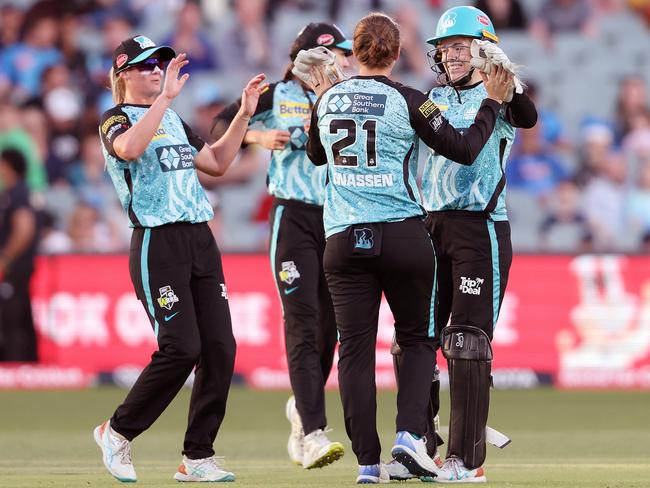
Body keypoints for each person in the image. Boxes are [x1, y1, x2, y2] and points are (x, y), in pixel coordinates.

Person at [305, 12, 512, 484]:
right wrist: (492, 106)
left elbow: (316, 154)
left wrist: (324, 100)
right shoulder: (413, 99)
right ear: (398, 54)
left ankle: (368, 464)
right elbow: (461, 148)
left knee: (355, 350)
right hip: (403, 233)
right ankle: (411, 439)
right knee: (418, 339)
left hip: (341, 239)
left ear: (355, 53)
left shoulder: (329, 97)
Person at [93, 35, 266, 483]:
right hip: (157, 242)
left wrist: (244, 114)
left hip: (199, 240)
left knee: (221, 348)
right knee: (181, 348)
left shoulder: (171, 118)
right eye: (147, 65)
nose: (157, 71)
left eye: (162, 64)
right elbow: (128, 149)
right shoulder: (115, 118)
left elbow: (218, 163)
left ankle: (197, 457)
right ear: (124, 72)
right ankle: (116, 432)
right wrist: (165, 99)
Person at [212, 22, 353, 470]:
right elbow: (218, 126)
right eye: (334, 54)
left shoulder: (344, 95)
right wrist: (255, 136)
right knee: (302, 319)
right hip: (292, 216)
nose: (341, 62)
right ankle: (312, 431)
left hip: (336, 217)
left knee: (330, 328)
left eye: (343, 55)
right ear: (306, 57)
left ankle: (301, 406)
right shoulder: (276, 94)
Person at [414, 6, 537, 483]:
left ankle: (466, 460)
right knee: (416, 340)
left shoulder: (501, 95)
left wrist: (504, 77)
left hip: (480, 228)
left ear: (483, 47)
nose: (451, 56)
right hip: (430, 224)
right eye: (445, 48)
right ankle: (418, 448)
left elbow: (527, 116)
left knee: (466, 341)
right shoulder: (430, 98)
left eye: (461, 46)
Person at [0, 149, 38, 362]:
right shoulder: (17, 192)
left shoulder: (17, 193)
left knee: (12, 318)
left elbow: (24, 229)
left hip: (15, 266)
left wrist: (5, 257)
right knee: (21, 313)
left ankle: (16, 363)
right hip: (20, 265)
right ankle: (28, 361)